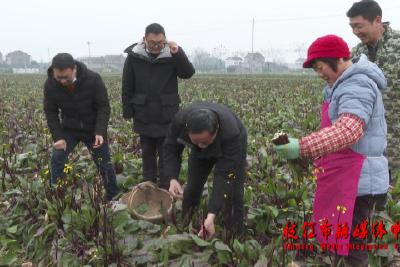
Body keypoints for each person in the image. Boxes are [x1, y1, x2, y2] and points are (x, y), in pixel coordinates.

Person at [273, 35, 388, 266]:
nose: (319, 74)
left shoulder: (358, 84)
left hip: (359, 181)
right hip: (345, 177)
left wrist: (302, 146)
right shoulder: (339, 86)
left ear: (337, 59)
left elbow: (348, 130)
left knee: (352, 248)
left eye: (320, 67)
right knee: (341, 244)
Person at [122, 23, 195, 186]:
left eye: (160, 43)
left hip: (167, 114)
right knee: (147, 153)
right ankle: (149, 186)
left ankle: (165, 187)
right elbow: (127, 84)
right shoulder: (134, 56)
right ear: (144, 39)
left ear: (165, 40)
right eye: (152, 43)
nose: (156, 46)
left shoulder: (172, 55)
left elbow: (188, 73)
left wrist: (178, 53)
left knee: (166, 153)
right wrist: (127, 110)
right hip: (143, 113)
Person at [162, 102, 247, 238]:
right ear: (187, 130)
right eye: (196, 142)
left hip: (231, 147)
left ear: (216, 129)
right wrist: (172, 178)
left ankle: (235, 233)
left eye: (205, 142)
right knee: (193, 186)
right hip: (200, 150)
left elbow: (224, 176)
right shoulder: (180, 121)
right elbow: (170, 149)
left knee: (233, 192)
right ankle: (187, 222)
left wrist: (211, 215)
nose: (201, 146)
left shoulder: (232, 134)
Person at [44, 53, 119, 201]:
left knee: (103, 163)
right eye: (59, 77)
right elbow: (50, 112)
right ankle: (59, 196)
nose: (62, 81)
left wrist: (99, 132)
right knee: (58, 158)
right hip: (69, 128)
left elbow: (103, 107)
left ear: (74, 69)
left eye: (66, 77)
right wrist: (58, 137)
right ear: (53, 71)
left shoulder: (93, 79)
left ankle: (113, 196)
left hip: (92, 129)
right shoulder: (51, 84)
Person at [347, 0, 400, 171]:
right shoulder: (355, 55)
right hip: (369, 146)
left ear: (377, 20)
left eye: (359, 26)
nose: (355, 32)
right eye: (352, 27)